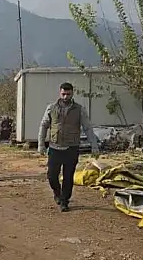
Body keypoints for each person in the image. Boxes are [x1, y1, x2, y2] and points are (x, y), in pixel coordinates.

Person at [37, 82, 99, 212]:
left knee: (68, 176)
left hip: (71, 148)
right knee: (52, 176)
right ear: (60, 93)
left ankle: (64, 201)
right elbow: (43, 126)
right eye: (63, 94)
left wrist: (94, 145)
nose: (65, 97)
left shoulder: (79, 109)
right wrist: (41, 144)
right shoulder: (51, 108)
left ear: (72, 93)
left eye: (68, 94)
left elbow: (87, 127)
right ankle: (57, 194)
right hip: (54, 147)